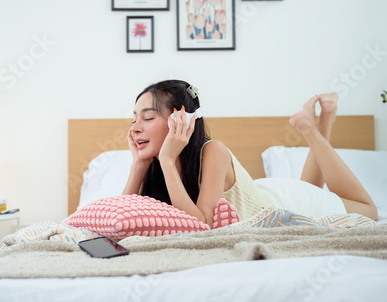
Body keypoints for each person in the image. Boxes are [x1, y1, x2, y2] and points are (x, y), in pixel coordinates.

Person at [121, 80, 378, 228]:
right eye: (134, 119)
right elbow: (121, 214)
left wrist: (166, 160)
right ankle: (323, 120)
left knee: (370, 212)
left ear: (183, 121)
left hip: (281, 203)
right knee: (310, 188)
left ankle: (312, 129)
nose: (136, 128)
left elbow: (200, 224)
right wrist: (138, 166)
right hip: (264, 193)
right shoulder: (153, 165)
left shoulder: (213, 151)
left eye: (148, 117)